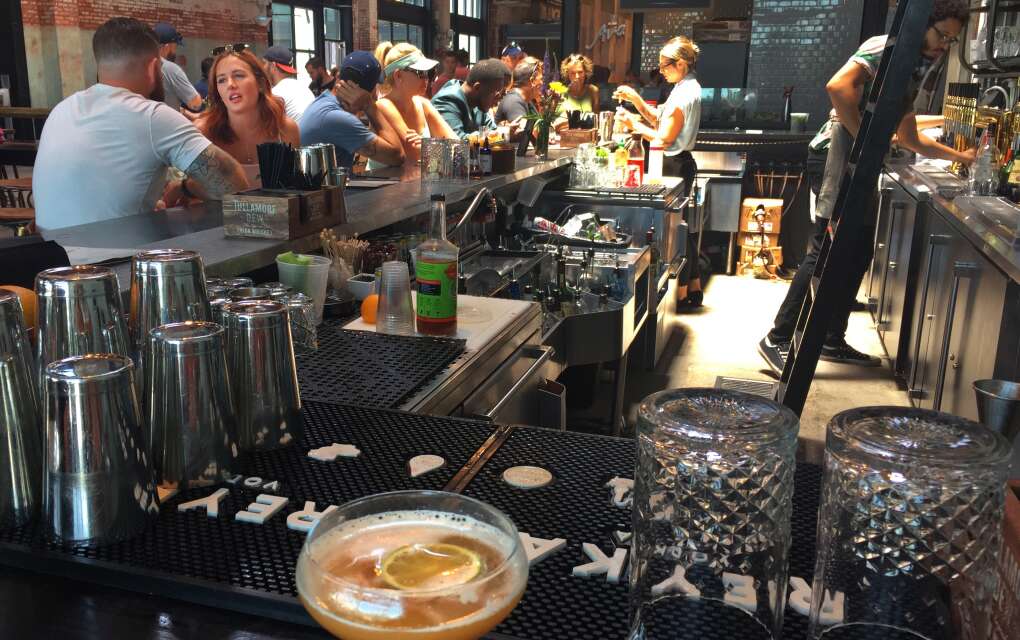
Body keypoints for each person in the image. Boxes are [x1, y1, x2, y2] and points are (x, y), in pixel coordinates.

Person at [757, 0, 974, 375]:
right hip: (835, 156)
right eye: (943, 35)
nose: (944, 45)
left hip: (858, 162)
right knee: (824, 250)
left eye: (952, 41)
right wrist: (865, 140)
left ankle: (829, 336)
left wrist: (962, 156)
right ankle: (776, 338)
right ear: (926, 22)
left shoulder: (910, 66)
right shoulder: (885, 47)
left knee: (856, 252)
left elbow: (909, 137)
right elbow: (837, 87)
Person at [33, 17, 247, 231]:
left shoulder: (60, 110)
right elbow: (235, 188)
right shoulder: (152, 116)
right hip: (116, 261)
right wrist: (185, 189)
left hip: (49, 257)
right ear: (154, 67)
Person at [614, 36, 703, 306]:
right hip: (681, 163)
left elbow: (663, 138)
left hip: (674, 164)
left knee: (675, 230)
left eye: (665, 65)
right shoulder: (685, 87)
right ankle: (693, 290)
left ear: (681, 64)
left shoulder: (683, 94)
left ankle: (685, 292)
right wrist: (636, 100)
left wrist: (633, 124)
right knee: (681, 227)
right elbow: (658, 118)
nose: (661, 70)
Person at [169, 49, 300, 193]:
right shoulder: (203, 131)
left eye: (238, 75)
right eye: (221, 80)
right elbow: (192, 193)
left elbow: (294, 191)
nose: (230, 84)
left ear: (261, 83)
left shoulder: (286, 129)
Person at [299, 51, 404, 168]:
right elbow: (397, 156)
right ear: (366, 91)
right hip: (323, 186)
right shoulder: (338, 119)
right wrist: (369, 105)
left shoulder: (323, 102)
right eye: (376, 87)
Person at [373, 43, 456, 166]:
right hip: (385, 184)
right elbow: (413, 154)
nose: (426, 79)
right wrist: (437, 144)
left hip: (414, 182)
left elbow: (457, 147)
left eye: (428, 73)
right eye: (420, 73)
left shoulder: (423, 104)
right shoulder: (383, 106)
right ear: (398, 75)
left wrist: (425, 144)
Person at [432, 59, 510, 140]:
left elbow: (494, 131)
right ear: (478, 87)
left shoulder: (478, 103)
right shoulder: (446, 100)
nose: (499, 98)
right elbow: (456, 141)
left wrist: (506, 133)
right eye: (495, 92)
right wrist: (499, 135)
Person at [153, 22, 202, 113]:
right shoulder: (170, 68)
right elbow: (196, 104)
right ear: (167, 47)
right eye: (175, 47)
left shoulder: (144, 64)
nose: (175, 52)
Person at [262, 45, 314, 123]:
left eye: (264, 63)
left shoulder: (276, 93)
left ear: (273, 66)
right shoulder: (303, 87)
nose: (263, 67)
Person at [495, 57, 542, 137]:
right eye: (541, 79)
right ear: (532, 81)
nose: (542, 83)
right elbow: (527, 133)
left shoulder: (527, 101)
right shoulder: (513, 101)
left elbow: (539, 126)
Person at [555, 53, 599, 130]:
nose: (577, 76)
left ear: (585, 72)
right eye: (573, 73)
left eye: (580, 72)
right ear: (567, 74)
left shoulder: (593, 91)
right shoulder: (559, 92)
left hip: (585, 136)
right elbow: (549, 121)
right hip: (561, 136)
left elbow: (596, 121)